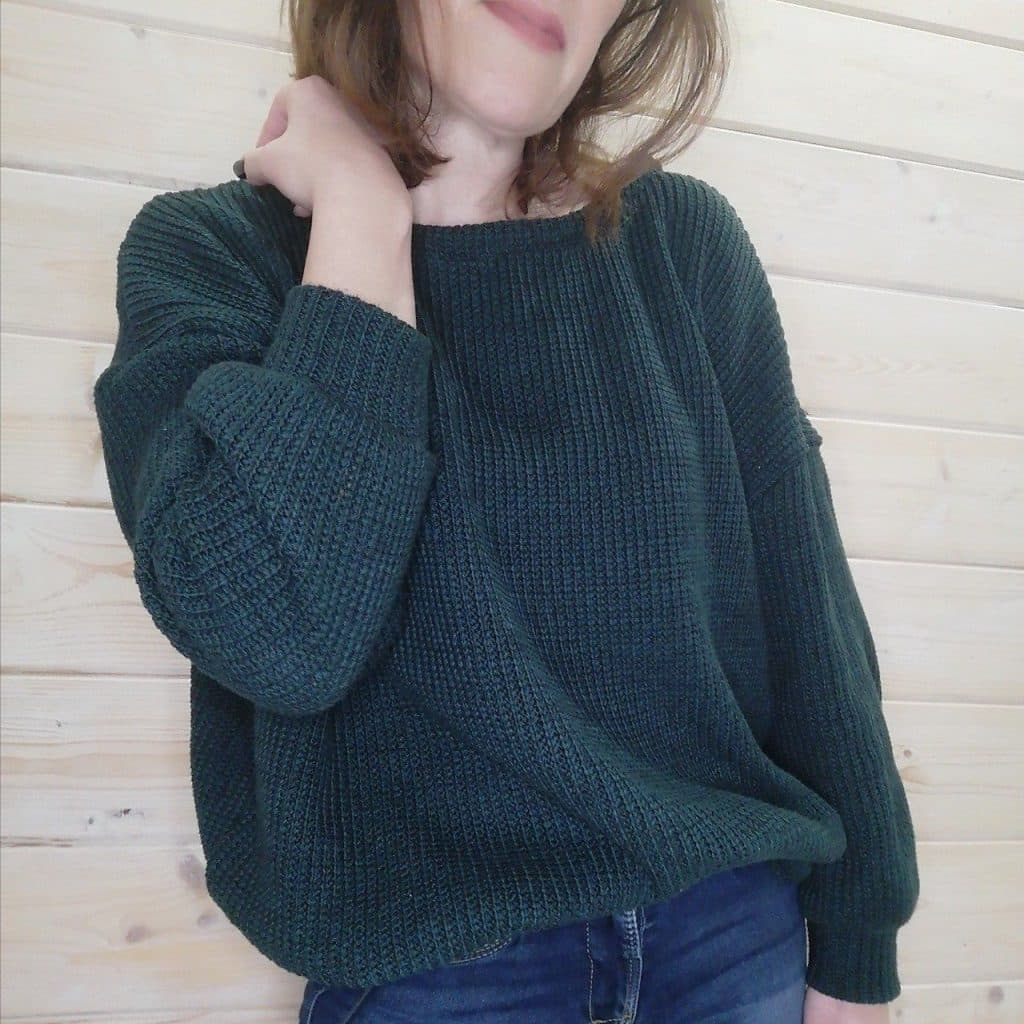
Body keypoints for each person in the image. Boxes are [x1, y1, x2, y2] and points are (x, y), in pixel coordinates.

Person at [92, 1, 920, 1021]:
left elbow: (811, 619)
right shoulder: (213, 258)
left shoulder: (684, 246)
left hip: (733, 940)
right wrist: (361, 216)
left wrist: (859, 947)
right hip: (435, 974)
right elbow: (281, 636)